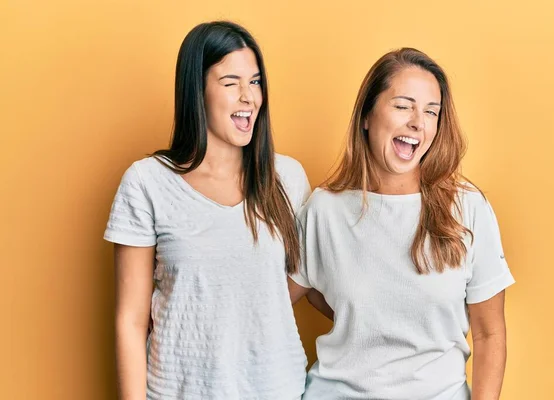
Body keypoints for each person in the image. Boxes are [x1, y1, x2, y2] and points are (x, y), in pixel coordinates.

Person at [289, 48, 515, 400]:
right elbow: (270, 300)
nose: (418, 122)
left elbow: (490, 334)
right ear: (366, 115)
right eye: (403, 106)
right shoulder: (324, 209)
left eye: (431, 112)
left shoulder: (468, 208)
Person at [105, 21, 311, 399]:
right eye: (231, 83)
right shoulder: (147, 182)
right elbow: (130, 321)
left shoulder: (288, 178)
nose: (248, 96)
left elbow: (304, 277)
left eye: (255, 81)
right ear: (196, 91)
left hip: (277, 388)